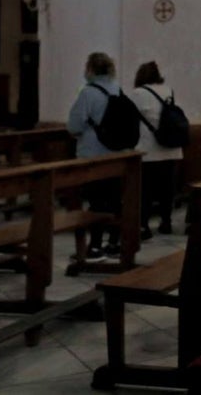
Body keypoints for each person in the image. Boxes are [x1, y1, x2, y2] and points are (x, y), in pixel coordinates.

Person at [66, 52, 124, 261]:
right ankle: (115, 242)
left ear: (90, 69)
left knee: (96, 201)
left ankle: (96, 246)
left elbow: (74, 126)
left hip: (93, 155)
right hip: (117, 155)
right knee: (115, 200)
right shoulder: (117, 90)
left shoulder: (87, 93)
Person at [131, 61, 184, 240]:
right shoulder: (168, 90)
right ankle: (166, 221)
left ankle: (144, 224)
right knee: (166, 188)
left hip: (148, 148)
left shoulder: (138, 94)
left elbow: (131, 117)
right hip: (170, 147)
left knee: (145, 189)